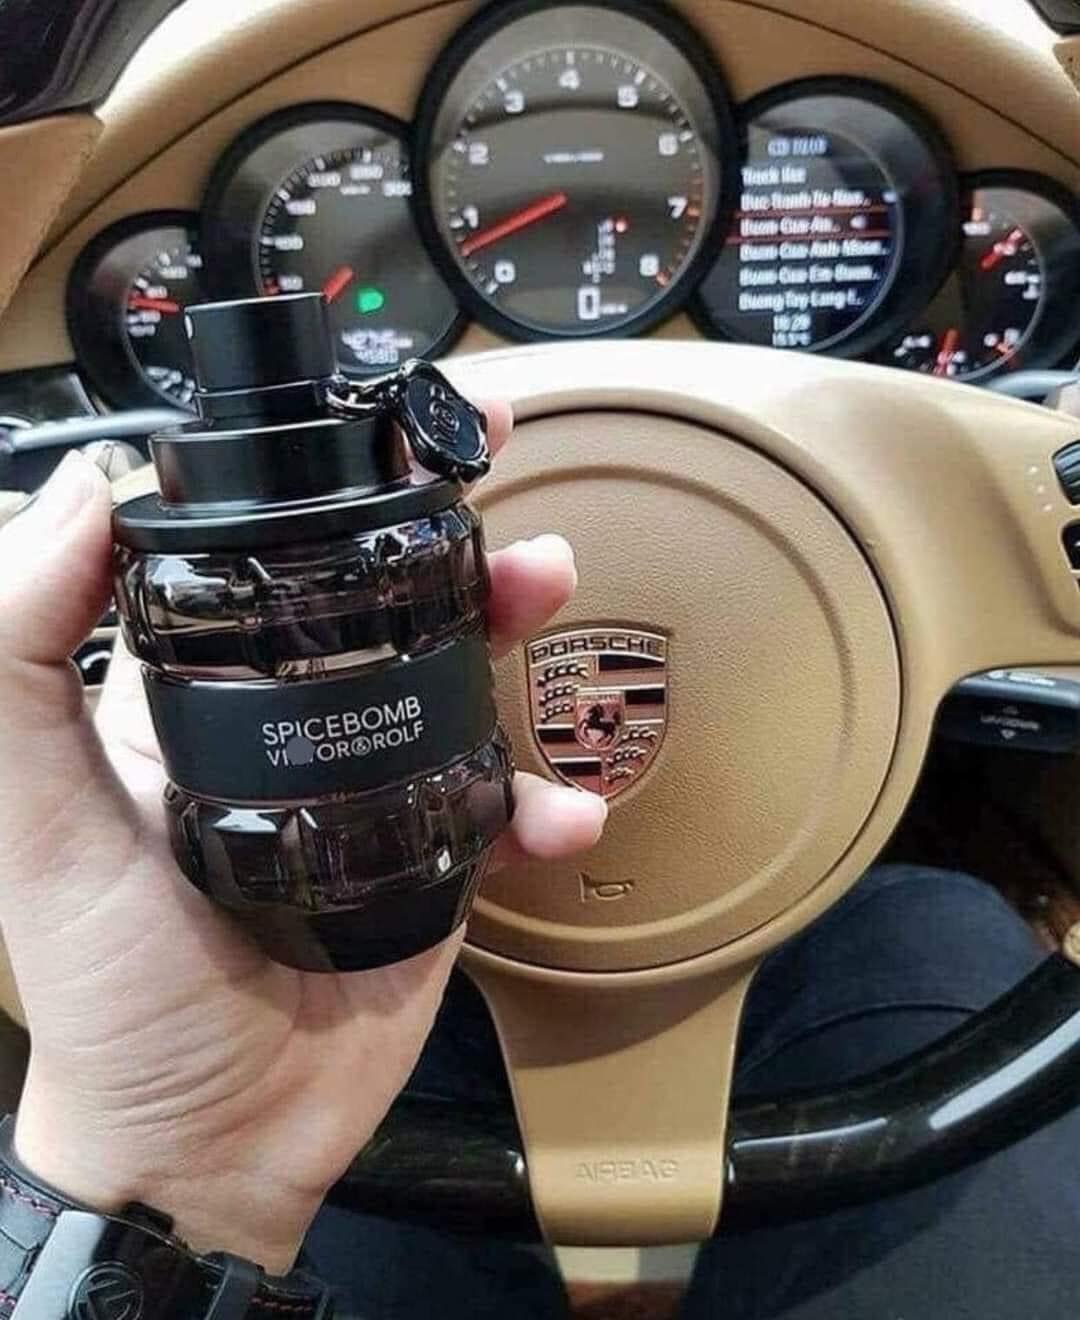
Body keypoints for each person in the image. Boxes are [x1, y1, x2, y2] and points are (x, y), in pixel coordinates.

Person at [0, 417, 1076, 1320]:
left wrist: (172, 1172)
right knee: (934, 928)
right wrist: (184, 1151)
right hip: (362, 946)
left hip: (347, 986)